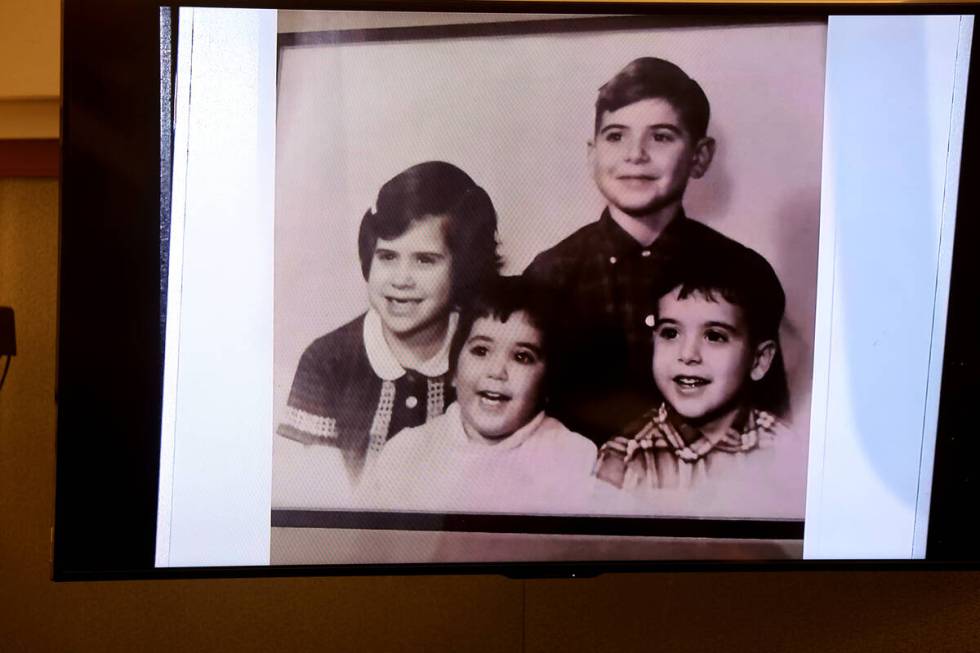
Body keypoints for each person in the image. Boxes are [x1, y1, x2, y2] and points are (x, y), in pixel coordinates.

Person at [523, 56, 763, 445]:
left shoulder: (743, 273)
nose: (636, 154)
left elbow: (768, 425)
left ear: (700, 157)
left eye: (661, 136)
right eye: (616, 136)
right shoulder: (550, 275)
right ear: (592, 153)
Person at [277, 161, 501, 487]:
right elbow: (310, 492)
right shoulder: (328, 361)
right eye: (387, 256)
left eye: (425, 260)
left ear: (464, 269)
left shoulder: (483, 355)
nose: (400, 279)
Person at [593, 247, 807, 519]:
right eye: (670, 333)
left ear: (759, 360)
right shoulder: (624, 460)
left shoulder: (787, 451)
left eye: (715, 336)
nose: (687, 354)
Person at [359, 276, 597, 514]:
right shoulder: (406, 453)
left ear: (547, 382)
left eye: (522, 357)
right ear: (454, 371)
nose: (496, 371)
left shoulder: (573, 459)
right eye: (481, 350)